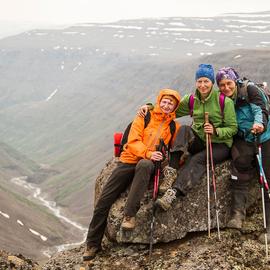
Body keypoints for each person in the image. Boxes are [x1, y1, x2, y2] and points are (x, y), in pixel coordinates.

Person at [83, 89, 181, 261]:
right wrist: (149, 154)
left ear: (175, 107)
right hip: (129, 159)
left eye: (170, 103)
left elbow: (175, 150)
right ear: (159, 101)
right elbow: (132, 141)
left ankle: (129, 215)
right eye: (164, 101)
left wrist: (165, 160)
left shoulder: (174, 126)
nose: (166, 105)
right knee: (104, 200)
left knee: (144, 165)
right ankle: (92, 244)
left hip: (149, 165)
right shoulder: (144, 116)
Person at [139, 64, 238, 211]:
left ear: (212, 83)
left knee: (196, 160)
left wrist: (216, 130)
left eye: (206, 81)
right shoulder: (191, 100)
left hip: (220, 145)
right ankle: (171, 172)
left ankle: (173, 194)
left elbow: (233, 128)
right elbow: (169, 108)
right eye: (199, 81)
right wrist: (150, 107)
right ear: (196, 82)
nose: (203, 85)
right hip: (200, 140)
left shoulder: (225, 102)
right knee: (184, 129)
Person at [215, 67, 270, 242]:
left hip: (263, 135)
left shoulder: (250, 89)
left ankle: (269, 227)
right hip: (243, 137)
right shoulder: (222, 99)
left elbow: (260, 109)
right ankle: (237, 215)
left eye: (228, 83)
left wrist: (259, 124)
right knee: (240, 163)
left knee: (267, 177)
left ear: (235, 81)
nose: (225, 87)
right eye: (221, 85)